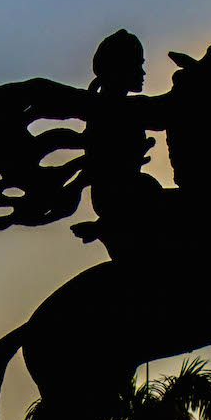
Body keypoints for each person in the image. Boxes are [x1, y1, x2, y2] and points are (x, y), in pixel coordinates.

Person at [71, 29, 166, 259]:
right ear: (120, 69)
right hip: (127, 198)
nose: (143, 72)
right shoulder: (120, 110)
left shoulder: (109, 108)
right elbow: (164, 112)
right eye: (137, 65)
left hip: (118, 198)